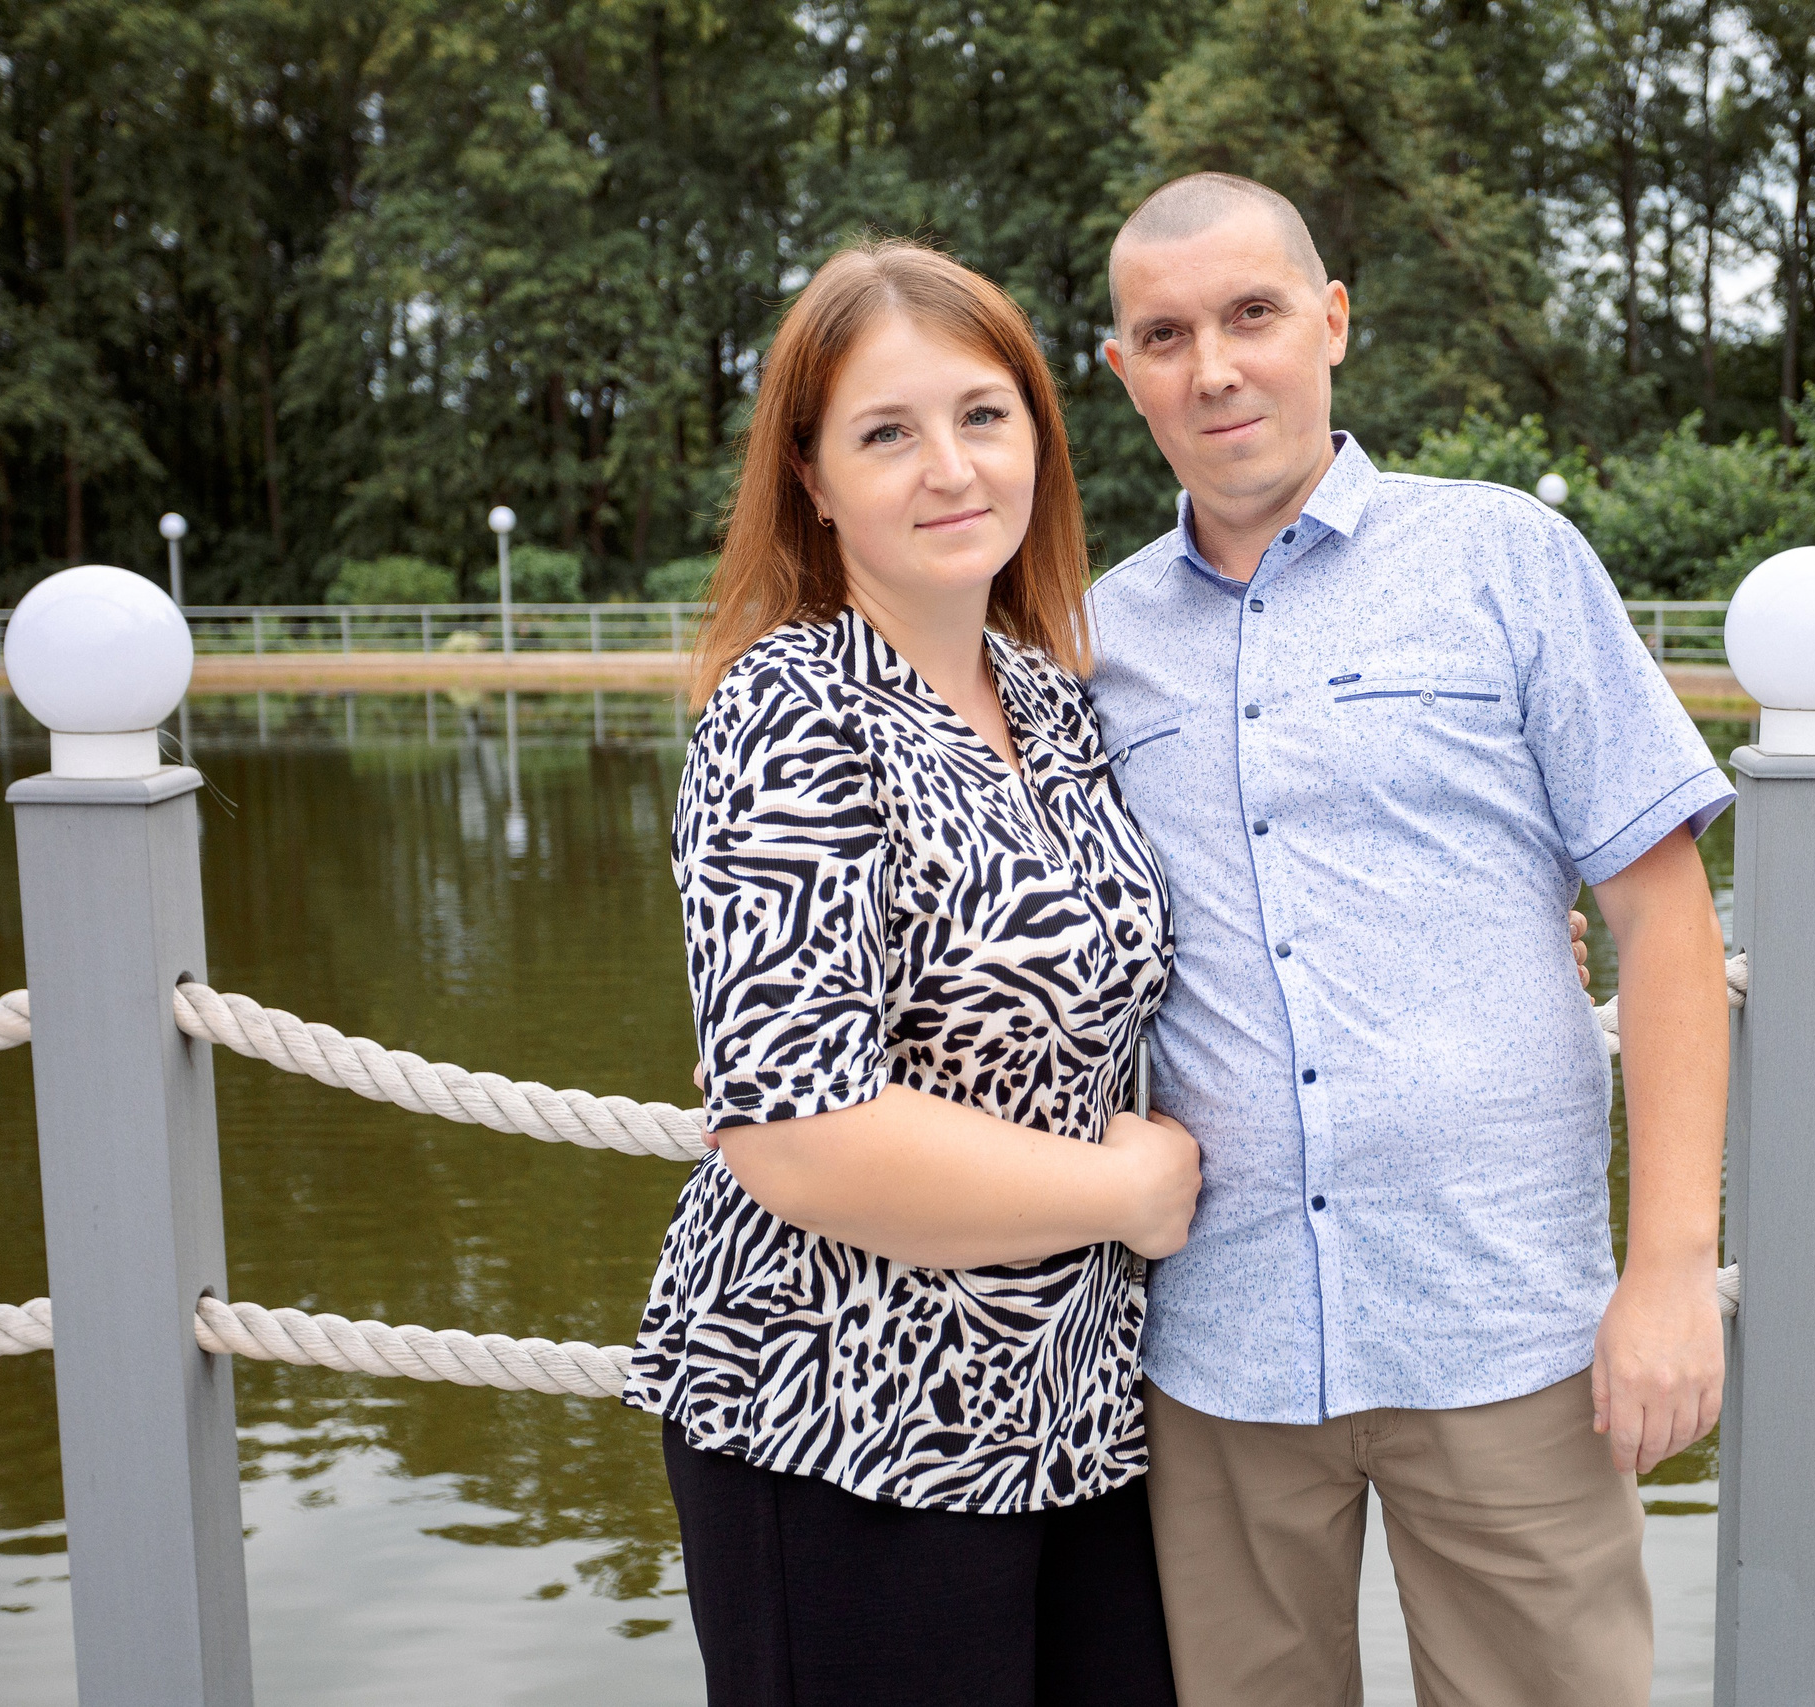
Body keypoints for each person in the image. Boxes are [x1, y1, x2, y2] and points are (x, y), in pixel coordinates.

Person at [1088, 172, 1736, 1707]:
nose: (1214, 366)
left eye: (1252, 315)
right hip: (1221, 1347)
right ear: (1123, 374)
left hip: (1506, 1326)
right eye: (1164, 335)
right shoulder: (1089, 638)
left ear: (1332, 321)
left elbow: (1661, 924)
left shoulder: (1503, 561)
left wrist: (1668, 1272)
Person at [623, 237, 1192, 1707]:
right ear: (811, 478)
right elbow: (799, 1136)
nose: (950, 466)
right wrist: (1127, 1195)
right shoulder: (789, 715)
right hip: (844, 1417)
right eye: (887, 432)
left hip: (1074, 1419)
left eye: (983, 415)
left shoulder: (1057, 707)